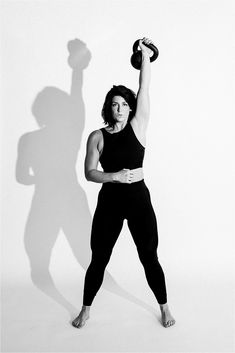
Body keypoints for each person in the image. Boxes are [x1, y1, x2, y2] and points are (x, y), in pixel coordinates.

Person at [72, 37, 176, 329]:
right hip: (110, 202)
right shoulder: (97, 136)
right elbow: (89, 173)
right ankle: (85, 309)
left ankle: (165, 308)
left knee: (149, 257)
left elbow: (144, 88)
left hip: (138, 200)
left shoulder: (138, 126)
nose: (119, 108)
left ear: (131, 108)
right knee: (99, 259)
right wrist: (114, 176)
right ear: (109, 107)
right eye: (114, 104)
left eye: (123, 104)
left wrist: (145, 56)